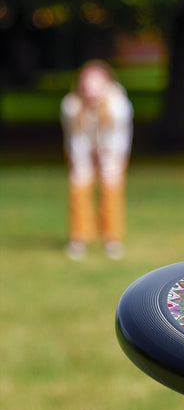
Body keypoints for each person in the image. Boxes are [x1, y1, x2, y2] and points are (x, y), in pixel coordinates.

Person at [60, 59, 133, 260]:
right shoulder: (71, 105)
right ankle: (79, 238)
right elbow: (76, 138)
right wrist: (84, 161)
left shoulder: (118, 105)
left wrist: (106, 158)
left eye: (96, 83)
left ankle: (112, 238)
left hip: (112, 151)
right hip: (82, 151)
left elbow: (118, 138)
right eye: (87, 83)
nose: (91, 88)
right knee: (79, 186)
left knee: (111, 189)